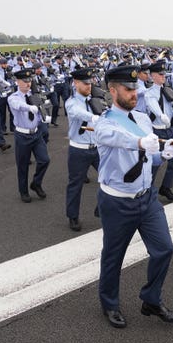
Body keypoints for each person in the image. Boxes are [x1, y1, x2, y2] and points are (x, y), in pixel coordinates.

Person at [95, 65, 173, 328]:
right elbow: (116, 137)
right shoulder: (105, 122)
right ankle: (109, 304)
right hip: (117, 201)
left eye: (136, 88)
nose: (134, 93)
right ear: (113, 90)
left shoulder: (143, 119)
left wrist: (164, 154)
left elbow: (150, 156)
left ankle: (151, 299)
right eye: (128, 88)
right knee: (114, 255)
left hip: (146, 197)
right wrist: (140, 142)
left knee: (164, 249)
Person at [8, 69, 51, 202]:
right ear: (18, 82)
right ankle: (23, 191)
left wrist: (44, 117)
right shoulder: (13, 97)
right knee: (23, 166)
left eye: (30, 81)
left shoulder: (35, 95)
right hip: (22, 135)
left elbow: (41, 110)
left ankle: (36, 183)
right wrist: (29, 107)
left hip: (36, 134)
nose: (28, 83)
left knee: (45, 160)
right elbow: (18, 105)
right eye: (25, 81)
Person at [65, 67, 99, 229]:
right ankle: (73, 216)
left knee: (111, 178)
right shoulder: (71, 102)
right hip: (79, 149)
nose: (88, 86)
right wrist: (93, 116)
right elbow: (78, 113)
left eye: (90, 84)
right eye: (85, 84)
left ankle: (102, 207)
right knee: (75, 184)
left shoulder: (94, 100)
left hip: (97, 148)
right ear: (75, 83)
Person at [145, 61, 173, 202]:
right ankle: (148, 190)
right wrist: (161, 115)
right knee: (155, 164)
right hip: (156, 131)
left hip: (168, 131)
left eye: (164, 74)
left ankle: (166, 187)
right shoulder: (150, 93)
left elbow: (169, 108)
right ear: (153, 76)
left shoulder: (166, 90)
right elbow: (153, 106)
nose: (163, 76)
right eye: (160, 74)